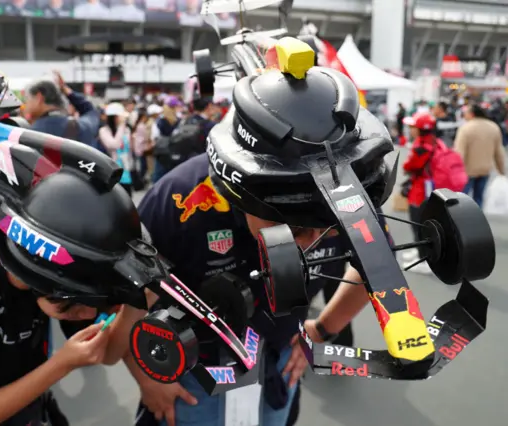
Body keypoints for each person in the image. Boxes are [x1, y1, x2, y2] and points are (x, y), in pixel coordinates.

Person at [128, 40, 395, 426]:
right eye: (292, 223)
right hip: (189, 369)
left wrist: (322, 330)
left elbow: (379, 262)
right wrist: (145, 378)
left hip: (279, 359)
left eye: (325, 224)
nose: (306, 241)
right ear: (244, 188)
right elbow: (128, 296)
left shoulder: (347, 192)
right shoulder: (179, 197)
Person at [0, 134, 158, 425]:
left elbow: (108, 354)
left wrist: (137, 301)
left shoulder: (64, 278)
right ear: (41, 280)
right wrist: (61, 364)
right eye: (76, 307)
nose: (90, 315)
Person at [400, 112, 439, 274]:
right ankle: (420, 252)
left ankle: (424, 260)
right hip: (426, 187)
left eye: (412, 126)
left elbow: (409, 167)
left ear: (421, 129)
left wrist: (407, 165)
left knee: (419, 224)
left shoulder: (422, 147)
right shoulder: (433, 141)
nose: (410, 129)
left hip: (420, 190)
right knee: (422, 223)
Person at [24, 73, 100, 149]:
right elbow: (90, 111)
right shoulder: (83, 126)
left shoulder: (30, 135)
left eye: (27, 99)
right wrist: (66, 90)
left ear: (39, 98)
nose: (25, 105)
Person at [454, 103, 505, 207]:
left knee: (461, 200)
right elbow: (499, 152)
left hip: (467, 171)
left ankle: (460, 221)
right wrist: (501, 170)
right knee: (479, 198)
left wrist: (456, 171)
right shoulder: (493, 127)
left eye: (466, 113)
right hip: (485, 170)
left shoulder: (466, 128)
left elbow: (459, 152)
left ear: (472, 114)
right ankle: (477, 221)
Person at [98, 102, 134, 195]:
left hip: (125, 171)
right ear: (113, 117)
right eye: (120, 116)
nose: (122, 119)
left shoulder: (126, 130)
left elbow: (129, 149)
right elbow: (114, 145)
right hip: (111, 172)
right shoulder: (104, 131)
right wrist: (121, 127)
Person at [151, 97, 181, 183]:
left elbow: (154, 136)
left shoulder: (159, 121)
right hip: (176, 152)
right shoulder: (179, 120)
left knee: (159, 177)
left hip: (162, 152)